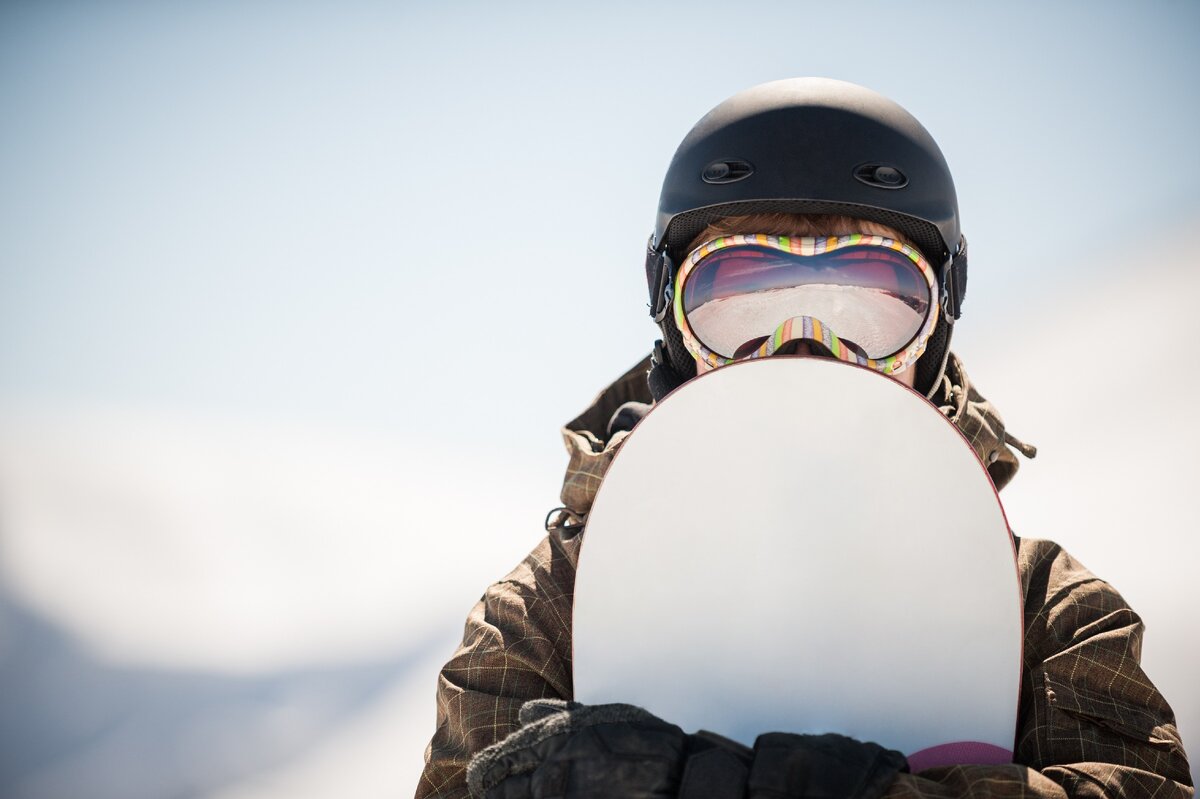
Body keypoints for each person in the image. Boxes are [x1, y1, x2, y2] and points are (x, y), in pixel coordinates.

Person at [416, 78, 1193, 798]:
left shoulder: (1044, 607)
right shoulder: (554, 603)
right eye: (742, 299)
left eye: (871, 304)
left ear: (938, 327)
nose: (803, 349)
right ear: (674, 325)